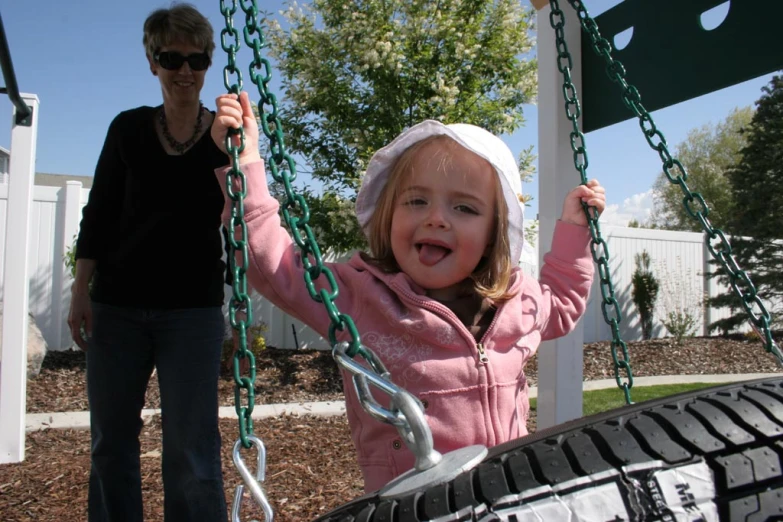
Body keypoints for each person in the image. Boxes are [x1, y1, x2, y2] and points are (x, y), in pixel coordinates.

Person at [211, 92, 605, 493]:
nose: (436, 218)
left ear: (492, 236)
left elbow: (562, 306)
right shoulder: (357, 298)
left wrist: (574, 231)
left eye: (464, 208)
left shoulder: (515, 302)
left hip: (506, 494)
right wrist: (245, 162)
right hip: (414, 505)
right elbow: (271, 265)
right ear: (389, 214)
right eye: (416, 201)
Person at [68, 4, 230, 521]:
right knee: (111, 443)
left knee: (192, 448)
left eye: (196, 58)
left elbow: (244, 212)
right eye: (171, 57)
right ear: (152, 63)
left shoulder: (224, 135)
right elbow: (99, 213)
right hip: (117, 308)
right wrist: (80, 290)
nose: (184, 70)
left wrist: (230, 146)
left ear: (207, 63)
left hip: (192, 312)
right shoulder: (128, 130)